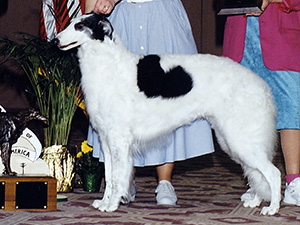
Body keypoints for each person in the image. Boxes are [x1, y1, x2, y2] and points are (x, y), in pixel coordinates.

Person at [85, 0, 215, 206]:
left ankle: (165, 182)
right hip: (122, 16)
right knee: (120, 107)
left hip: (162, 15)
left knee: (166, 100)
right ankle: (125, 181)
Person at [223, 0, 300, 205]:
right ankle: (257, 182)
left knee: (291, 112)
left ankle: (294, 183)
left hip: (282, 40)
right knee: (247, 117)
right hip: (240, 42)